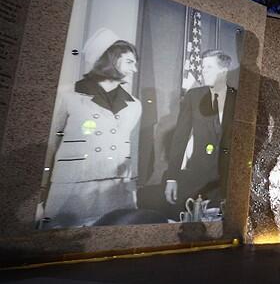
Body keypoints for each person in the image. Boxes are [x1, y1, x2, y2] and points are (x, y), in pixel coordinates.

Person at [41, 28, 142, 228]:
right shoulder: (68, 94)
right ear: (110, 59)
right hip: (72, 190)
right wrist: (40, 190)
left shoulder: (134, 104)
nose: (135, 69)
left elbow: (132, 151)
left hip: (116, 191)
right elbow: (49, 144)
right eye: (130, 62)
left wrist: (132, 189)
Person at [165, 49, 236, 209]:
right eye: (203, 67)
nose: (203, 71)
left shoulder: (238, 99)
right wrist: (172, 178)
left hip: (228, 180)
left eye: (208, 67)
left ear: (223, 71)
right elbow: (180, 137)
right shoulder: (193, 96)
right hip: (198, 179)